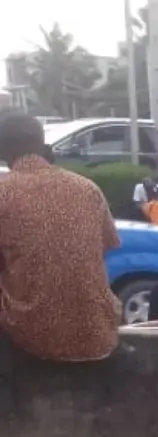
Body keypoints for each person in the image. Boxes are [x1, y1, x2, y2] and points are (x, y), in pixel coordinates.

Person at [0, 112, 120, 363]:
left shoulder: (4, 192)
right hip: (97, 334)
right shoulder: (87, 188)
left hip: (34, 336)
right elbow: (104, 248)